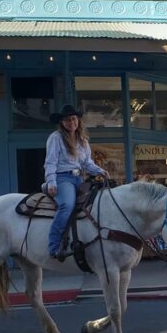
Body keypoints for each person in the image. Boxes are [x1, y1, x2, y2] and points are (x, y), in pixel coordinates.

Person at [44, 104, 107, 260]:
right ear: (62, 122)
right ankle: (53, 246)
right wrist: (51, 181)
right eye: (67, 120)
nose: (71, 122)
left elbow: (87, 163)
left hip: (79, 178)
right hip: (62, 177)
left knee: (97, 202)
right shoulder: (56, 138)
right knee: (67, 205)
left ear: (78, 120)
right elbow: (50, 162)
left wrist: (100, 171)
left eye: (73, 119)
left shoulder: (83, 141)